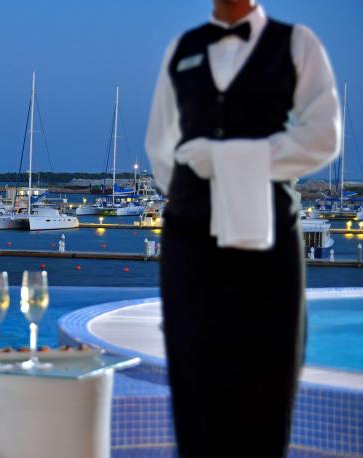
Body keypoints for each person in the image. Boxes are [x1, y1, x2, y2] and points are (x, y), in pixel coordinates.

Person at [145, 1, 341, 456]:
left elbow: (323, 136)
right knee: (192, 380)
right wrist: (200, 197)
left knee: (269, 381)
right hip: (190, 241)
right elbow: (160, 146)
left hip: (270, 238)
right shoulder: (182, 48)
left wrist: (227, 162)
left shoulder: (297, 44)